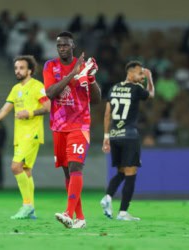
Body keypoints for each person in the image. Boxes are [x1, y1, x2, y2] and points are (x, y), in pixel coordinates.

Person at [0, 55, 50, 219]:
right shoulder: (16, 89)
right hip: (20, 135)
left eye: (21, 68)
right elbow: (3, 111)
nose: (18, 71)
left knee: (15, 167)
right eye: (16, 68)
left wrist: (29, 112)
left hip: (32, 133)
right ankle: (32, 210)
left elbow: (48, 107)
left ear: (29, 70)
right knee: (26, 171)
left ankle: (27, 205)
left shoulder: (37, 86)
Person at [43, 31, 101, 228]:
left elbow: (97, 99)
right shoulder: (50, 66)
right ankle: (81, 218)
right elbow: (50, 93)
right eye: (59, 46)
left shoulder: (84, 66)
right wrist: (72, 74)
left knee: (76, 167)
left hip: (79, 125)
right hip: (59, 127)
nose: (62, 48)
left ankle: (68, 213)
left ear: (73, 45)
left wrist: (90, 79)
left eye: (66, 45)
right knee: (68, 173)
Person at [101, 60, 155, 221]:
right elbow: (151, 94)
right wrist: (150, 79)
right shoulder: (137, 89)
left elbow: (106, 115)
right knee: (131, 174)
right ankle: (123, 212)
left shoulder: (114, 88)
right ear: (130, 73)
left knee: (121, 172)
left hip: (115, 136)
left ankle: (108, 197)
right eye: (139, 73)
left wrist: (106, 137)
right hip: (130, 136)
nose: (142, 77)